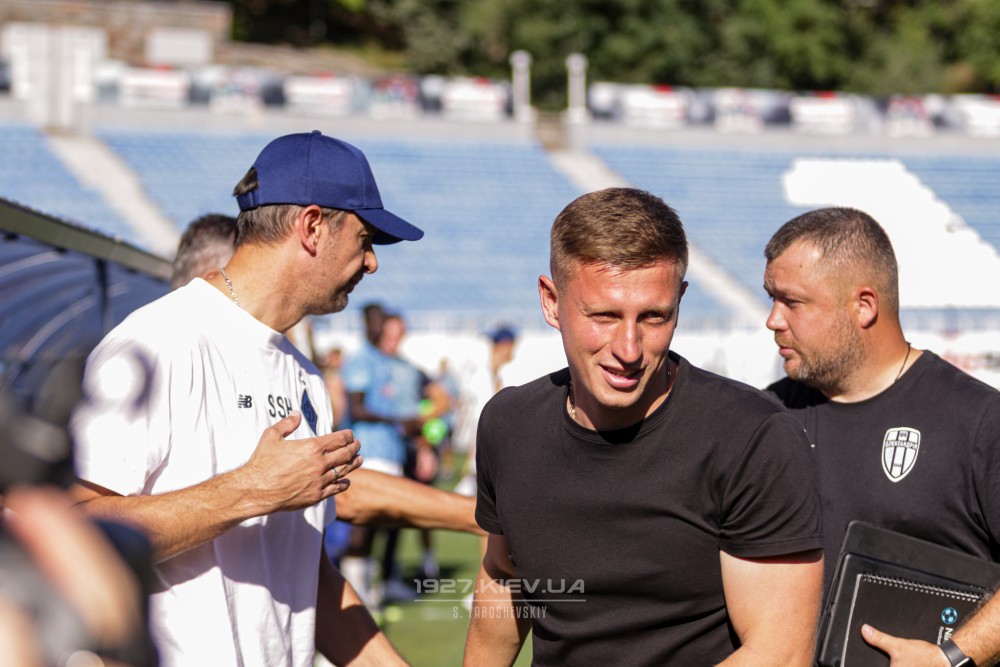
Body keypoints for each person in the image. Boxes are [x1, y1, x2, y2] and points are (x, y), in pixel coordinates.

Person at [69, 130, 424, 667]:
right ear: (312, 227)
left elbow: (306, 579)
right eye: (365, 238)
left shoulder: (305, 377)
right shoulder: (156, 344)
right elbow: (76, 533)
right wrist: (250, 490)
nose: (371, 262)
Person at [464, 187, 824, 666]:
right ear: (551, 302)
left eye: (654, 317)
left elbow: (780, 654)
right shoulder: (508, 424)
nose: (629, 348)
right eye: (604, 316)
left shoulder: (752, 437)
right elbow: (502, 578)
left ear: (680, 301)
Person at [762, 206, 1000, 667]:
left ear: (864, 306)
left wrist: (951, 658)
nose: (773, 320)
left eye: (792, 302)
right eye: (771, 298)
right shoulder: (767, 417)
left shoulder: (978, 420)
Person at [166, 214, 480, 537]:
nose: (372, 263)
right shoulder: (161, 351)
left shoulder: (298, 370)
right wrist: (254, 489)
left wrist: (478, 515)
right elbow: (121, 523)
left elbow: (335, 492)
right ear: (211, 277)